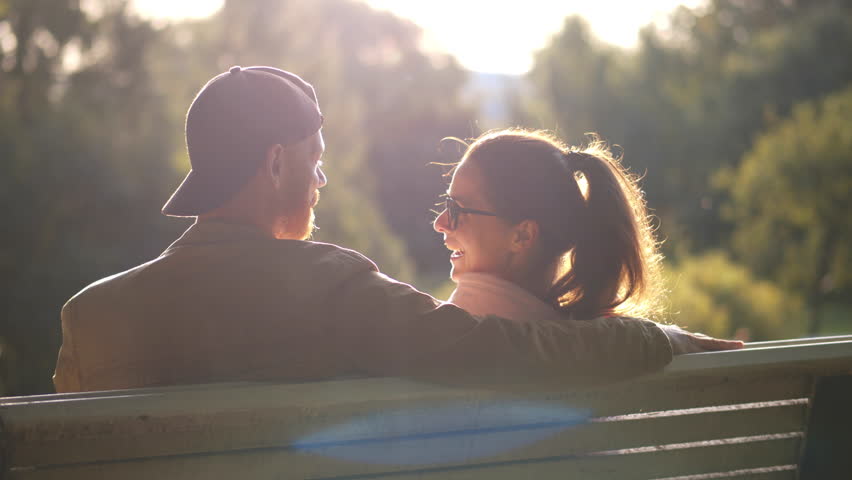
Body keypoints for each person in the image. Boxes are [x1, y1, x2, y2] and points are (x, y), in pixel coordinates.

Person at [53, 66, 740, 393]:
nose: (321, 183)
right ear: (275, 162)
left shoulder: (90, 319)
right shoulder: (332, 290)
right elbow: (516, 353)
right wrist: (657, 336)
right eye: (315, 164)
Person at [433, 129, 720, 343]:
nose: (440, 223)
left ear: (521, 236)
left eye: (457, 209)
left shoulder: (454, 338)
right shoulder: (606, 350)